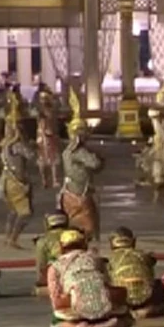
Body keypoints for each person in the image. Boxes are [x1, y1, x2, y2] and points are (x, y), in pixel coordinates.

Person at [47, 229, 133, 327]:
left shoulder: (55, 266)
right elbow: (108, 282)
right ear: (84, 245)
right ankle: (109, 326)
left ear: (61, 247)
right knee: (127, 319)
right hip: (104, 308)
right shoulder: (96, 259)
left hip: (76, 311)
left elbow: (55, 299)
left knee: (56, 325)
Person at [59, 89, 105, 243]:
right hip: (80, 194)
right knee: (88, 228)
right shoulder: (78, 151)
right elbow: (95, 164)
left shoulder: (68, 150)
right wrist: (99, 156)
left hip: (68, 192)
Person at [0, 92, 36, 249]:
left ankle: (8, 238)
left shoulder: (5, 144)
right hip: (17, 182)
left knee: (13, 211)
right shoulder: (16, 145)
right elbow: (31, 156)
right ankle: (13, 238)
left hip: (6, 180)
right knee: (25, 213)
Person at [107, 227, 163, 319]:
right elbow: (152, 262)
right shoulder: (142, 255)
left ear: (111, 244)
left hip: (123, 299)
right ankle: (149, 310)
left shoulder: (110, 259)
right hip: (146, 298)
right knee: (161, 284)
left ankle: (124, 311)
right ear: (134, 241)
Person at [32, 211, 70, 296]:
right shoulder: (79, 236)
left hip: (55, 277)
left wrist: (41, 281)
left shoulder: (42, 241)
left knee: (38, 291)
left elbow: (41, 265)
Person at [34, 89, 62, 189]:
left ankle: (54, 179)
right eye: (42, 99)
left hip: (50, 136)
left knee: (53, 159)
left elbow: (53, 119)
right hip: (42, 137)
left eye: (45, 99)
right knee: (42, 160)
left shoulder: (51, 110)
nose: (43, 101)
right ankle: (44, 180)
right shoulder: (40, 111)